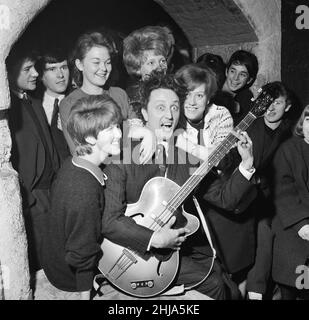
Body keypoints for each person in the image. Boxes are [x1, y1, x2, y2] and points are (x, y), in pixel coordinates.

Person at [101, 73, 257, 300]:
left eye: (175, 107)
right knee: (217, 284)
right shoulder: (122, 156)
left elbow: (224, 198)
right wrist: (153, 239)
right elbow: (108, 221)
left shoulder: (184, 154)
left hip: (170, 254)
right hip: (126, 252)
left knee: (222, 285)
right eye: (160, 107)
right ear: (144, 113)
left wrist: (247, 164)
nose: (169, 115)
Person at [35, 95, 122, 300]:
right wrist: (85, 294)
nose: (118, 133)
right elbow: (81, 252)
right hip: (68, 278)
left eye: (117, 125)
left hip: (53, 258)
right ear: (90, 138)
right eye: (110, 129)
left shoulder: (74, 162)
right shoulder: (83, 189)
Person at [6, 42, 60, 273]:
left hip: (50, 191)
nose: (36, 73)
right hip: (31, 195)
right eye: (28, 69)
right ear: (8, 72)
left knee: (55, 252)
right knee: (39, 261)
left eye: (34, 67)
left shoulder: (34, 102)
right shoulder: (7, 109)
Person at [59, 30, 153, 162]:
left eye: (107, 62)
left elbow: (138, 135)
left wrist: (147, 134)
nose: (104, 68)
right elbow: (78, 150)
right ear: (80, 65)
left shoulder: (119, 94)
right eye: (96, 62)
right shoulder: (69, 103)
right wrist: (133, 132)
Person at [245, 82, 293, 299]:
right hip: (250, 202)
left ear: (288, 107)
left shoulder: (293, 133)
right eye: (268, 102)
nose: (271, 108)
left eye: (278, 103)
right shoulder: (247, 127)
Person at [271, 105, 309, 300]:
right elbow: (282, 190)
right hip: (293, 227)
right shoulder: (289, 148)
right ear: (303, 123)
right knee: (293, 289)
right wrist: (301, 224)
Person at [174, 63, 233, 161]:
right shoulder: (172, 116)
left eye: (199, 96)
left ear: (208, 98)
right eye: (187, 94)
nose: (192, 102)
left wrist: (179, 141)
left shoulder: (221, 115)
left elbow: (221, 158)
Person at [35, 47, 71, 162]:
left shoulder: (79, 101)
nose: (60, 75)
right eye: (52, 69)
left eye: (64, 67)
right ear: (40, 75)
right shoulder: (33, 105)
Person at [216, 50, 259, 125]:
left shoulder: (246, 98)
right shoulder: (212, 87)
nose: (236, 78)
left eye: (242, 74)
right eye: (233, 71)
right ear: (226, 71)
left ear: (249, 80)